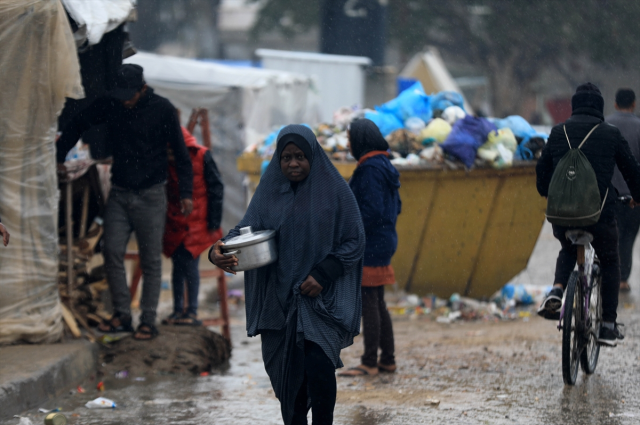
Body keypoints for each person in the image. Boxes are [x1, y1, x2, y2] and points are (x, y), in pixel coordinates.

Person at [209, 125, 365, 425]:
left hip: (321, 302)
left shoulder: (334, 191)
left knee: (319, 370)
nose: (293, 163)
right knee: (289, 380)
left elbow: (354, 239)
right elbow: (246, 230)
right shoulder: (269, 191)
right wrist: (216, 250)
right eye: (286, 157)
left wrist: (323, 274)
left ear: (312, 157)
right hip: (280, 303)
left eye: (300, 157)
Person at [56, 64, 193, 341]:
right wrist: (58, 156)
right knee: (111, 252)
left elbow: (181, 153)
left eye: (129, 95)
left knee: (150, 260)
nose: (124, 100)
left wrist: (186, 193)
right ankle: (121, 315)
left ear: (143, 89)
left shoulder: (163, 109)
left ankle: (147, 320)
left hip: (152, 194)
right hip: (119, 192)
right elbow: (77, 123)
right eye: (120, 95)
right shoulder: (112, 104)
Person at [536, 82, 640, 346]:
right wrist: (636, 197)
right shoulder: (610, 133)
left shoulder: (558, 132)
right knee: (609, 260)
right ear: (601, 107)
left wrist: (548, 192)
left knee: (568, 248)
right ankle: (606, 325)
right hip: (600, 215)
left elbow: (542, 172)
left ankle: (558, 289)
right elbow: (631, 171)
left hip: (562, 215)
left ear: (574, 105)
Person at [339, 118, 401, 377]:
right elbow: (395, 207)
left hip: (370, 244)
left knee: (369, 303)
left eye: (351, 140)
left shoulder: (370, 170)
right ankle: (387, 359)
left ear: (361, 141)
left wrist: (350, 232)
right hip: (384, 240)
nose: (348, 145)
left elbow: (371, 210)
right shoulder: (383, 165)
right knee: (378, 302)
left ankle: (369, 362)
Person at [162, 126, 223, 326]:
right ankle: (179, 310)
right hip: (176, 221)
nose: (170, 156)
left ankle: (191, 311)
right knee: (178, 266)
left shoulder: (203, 156)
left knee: (189, 265)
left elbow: (216, 188)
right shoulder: (166, 161)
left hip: (198, 220)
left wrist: (214, 222)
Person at [606, 88, 640, 293]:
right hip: (635, 195)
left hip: (609, 193)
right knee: (628, 236)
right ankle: (622, 278)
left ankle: (610, 274)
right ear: (634, 104)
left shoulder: (605, 125)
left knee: (611, 235)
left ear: (616, 104)